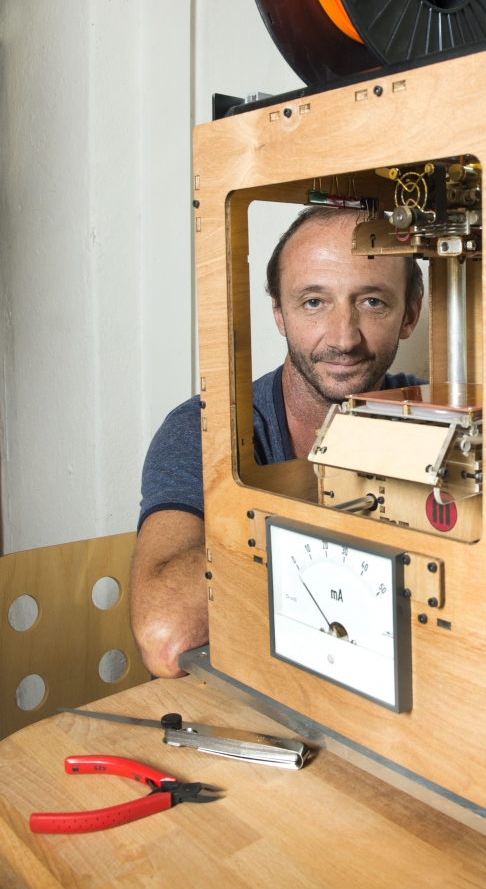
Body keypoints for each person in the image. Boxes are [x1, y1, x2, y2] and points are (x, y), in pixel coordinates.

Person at [130, 207, 425, 677]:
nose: (343, 338)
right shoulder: (203, 430)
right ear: (279, 314)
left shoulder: (436, 420)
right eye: (313, 302)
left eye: (372, 302)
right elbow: (167, 634)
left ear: (409, 314)